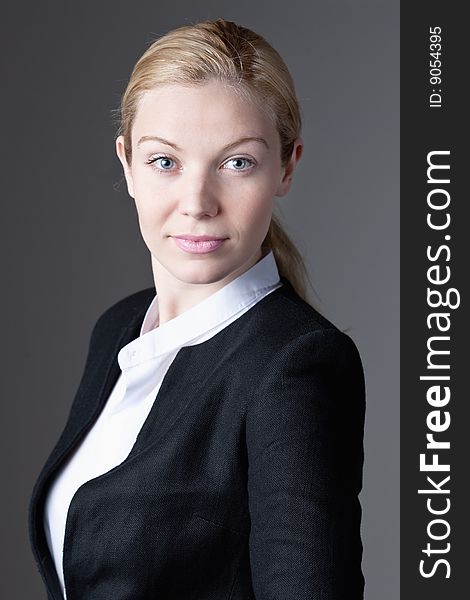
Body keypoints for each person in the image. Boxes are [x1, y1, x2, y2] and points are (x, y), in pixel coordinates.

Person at [29, 18, 366, 600]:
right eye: (165, 162)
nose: (197, 203)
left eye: (237, 163)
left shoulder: (297, 365)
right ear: (126, 163)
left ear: (286, 167)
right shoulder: (117, 329)